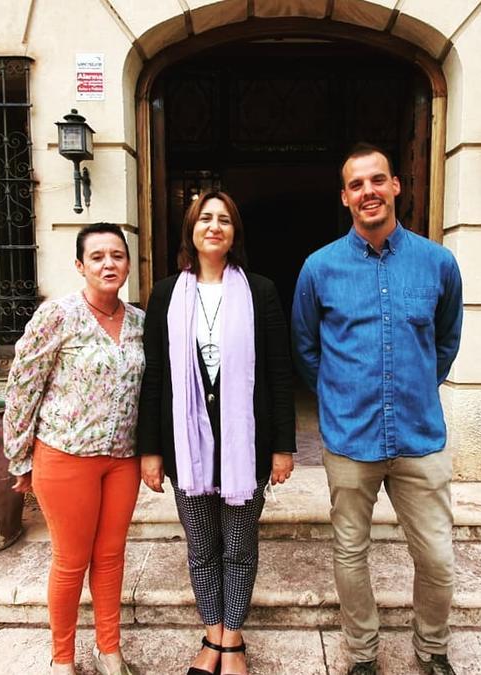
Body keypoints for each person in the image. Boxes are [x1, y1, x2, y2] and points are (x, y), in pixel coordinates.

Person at [291, 144, 464, 675]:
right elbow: (305, 347)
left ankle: (432, 649)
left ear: (395, 187)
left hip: (419, 436)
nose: (368, 191)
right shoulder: (319, 268)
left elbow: (446, 340)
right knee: (350, 552)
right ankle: (363, 654)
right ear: (345, 198)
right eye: (356, 184)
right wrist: (341, 394)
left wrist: (414, 386)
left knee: (436, 556)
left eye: (377, 180)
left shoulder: (438, 262)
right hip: (351, 438)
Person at [138, 191, 296, 675]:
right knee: (202, 545)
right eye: (204, 218)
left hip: (244, 446)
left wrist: (283, 446)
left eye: (224, 220)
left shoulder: (261, 291)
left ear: (234, 233)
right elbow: (155, 377)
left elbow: (278, 371)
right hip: (185, 447)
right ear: (190, 229)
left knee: (240, 547)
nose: (214, 226)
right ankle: (212, 635)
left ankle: (233, 639)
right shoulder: (165, 293)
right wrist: (149, 450)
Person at [3, 222, 144, 675]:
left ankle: (109, 650)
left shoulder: (140, 322)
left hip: (122, 459)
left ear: (128, 264)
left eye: (117, 255)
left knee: (110, 556)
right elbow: (23, 386)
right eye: (98, 256)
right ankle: (63, 658)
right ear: (81, 265)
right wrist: (19, 456)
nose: (109, 263)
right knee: (70, 560)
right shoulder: (58, 315)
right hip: (65, 457)